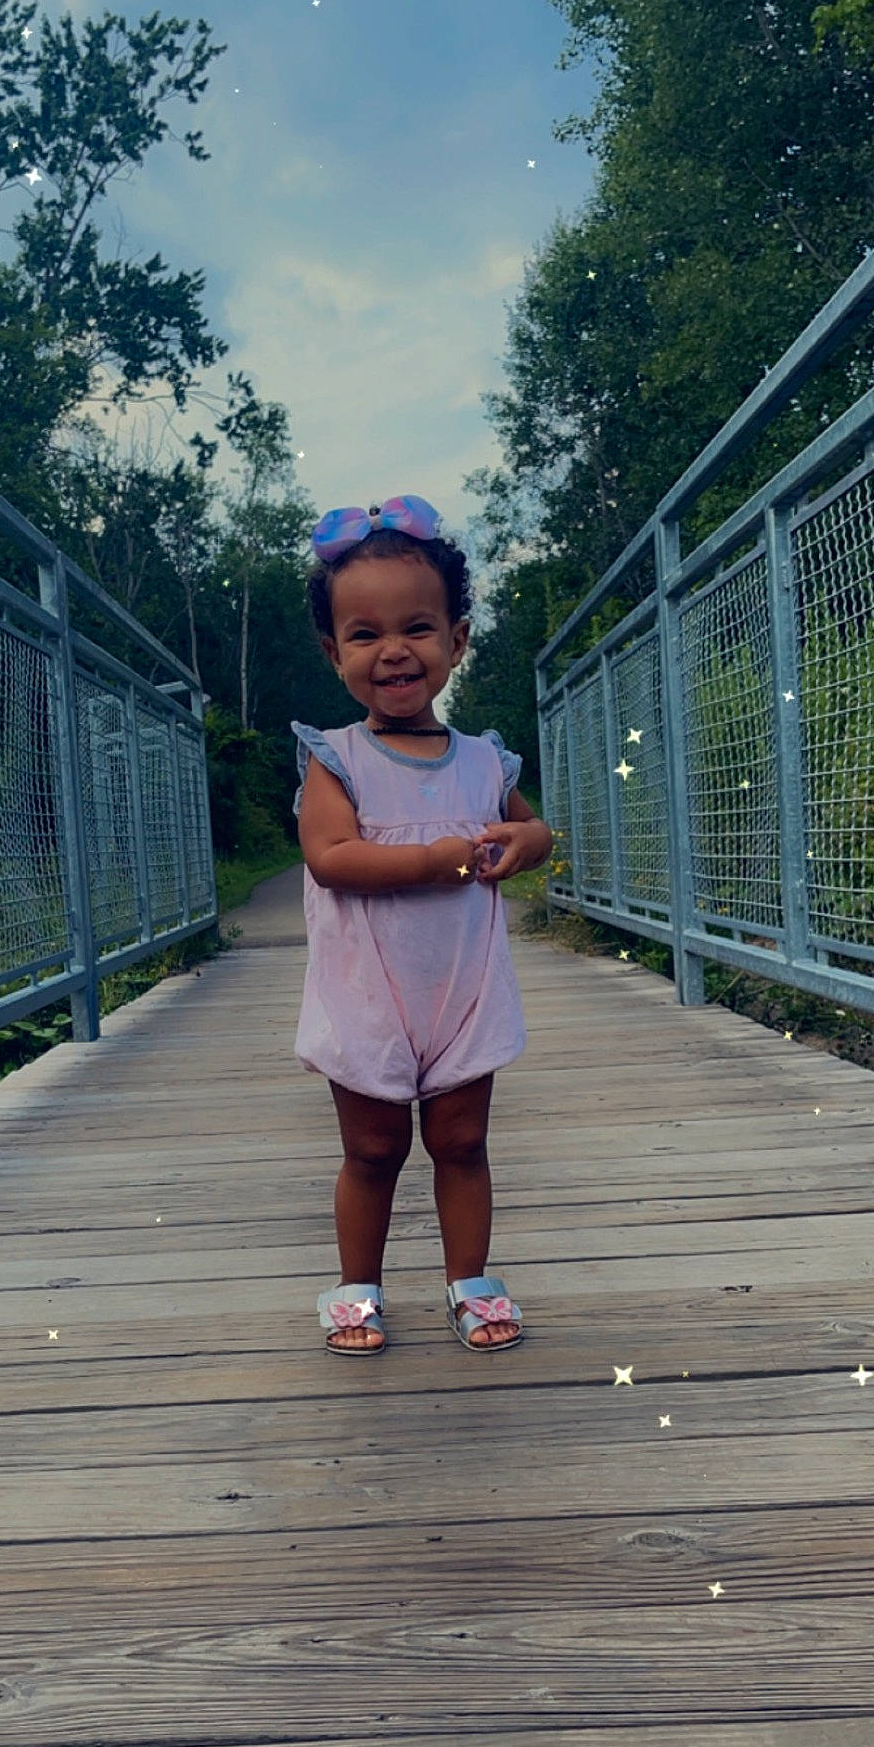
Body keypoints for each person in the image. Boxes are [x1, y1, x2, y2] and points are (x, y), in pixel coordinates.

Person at [291, 493, 554, 1358]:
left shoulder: (484, 759)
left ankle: (470, 1282)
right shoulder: (339, 759)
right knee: (372, 1148)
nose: (393, 650)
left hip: (460, 989)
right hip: (369, 989)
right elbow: (333, 857)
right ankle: (358, 1289)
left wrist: (525, 840)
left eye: (417, 627)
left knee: (461, 1140)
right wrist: (436, 860)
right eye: (364, 635)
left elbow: (533, 829)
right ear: (334, 654)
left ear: (456, 641)